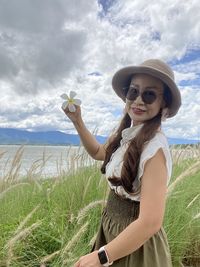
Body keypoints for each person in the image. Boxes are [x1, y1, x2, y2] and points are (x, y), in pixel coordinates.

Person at [62, 59, 181, 267]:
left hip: (135, 245)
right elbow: (99, 152)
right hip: (113, 233)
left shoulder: (155, 149)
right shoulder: (127, 135)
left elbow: (150, 222)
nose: (138, 100)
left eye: (149, 94)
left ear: (163, 102)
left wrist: (101, 256)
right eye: (133, 92)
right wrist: (78, 121)